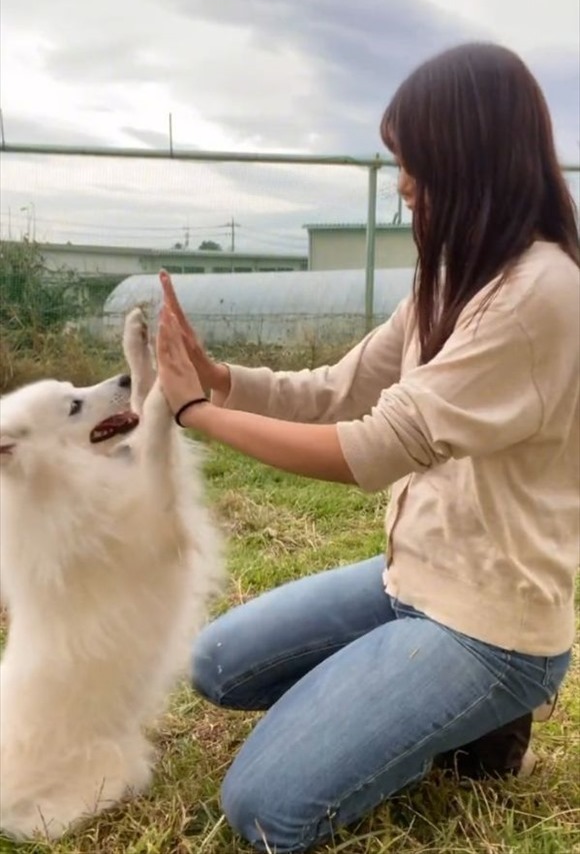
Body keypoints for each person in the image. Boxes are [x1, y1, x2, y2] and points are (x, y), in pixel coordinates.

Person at [155, 41, 579, 854]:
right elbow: (341, 389)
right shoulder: (455, 275)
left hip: (488, 627)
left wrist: (196, 414)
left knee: (266, 807)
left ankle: (484, 708)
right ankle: (427, 712)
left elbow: (375, 449)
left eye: (410, 160)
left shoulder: (541, 296)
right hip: (410, 578)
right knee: (216, 664)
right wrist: (222, 379)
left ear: (469, 153)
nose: (404, 184)